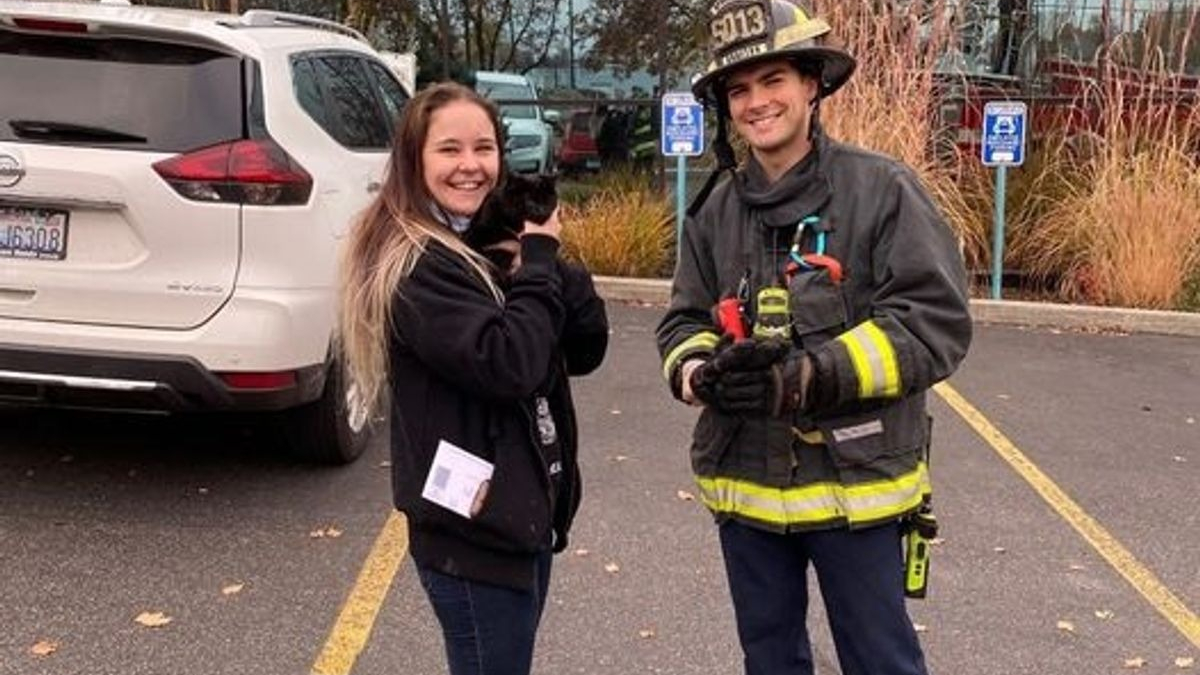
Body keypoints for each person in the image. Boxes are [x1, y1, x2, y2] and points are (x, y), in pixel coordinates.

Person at [655, 2, 973, 674]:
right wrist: (700, 373)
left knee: (881, 660)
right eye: (738, 90)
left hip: (857, 489)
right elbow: (681, 322)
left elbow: (932, 323)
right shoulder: (715, 212)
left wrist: (804, 378)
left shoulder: (880, 190)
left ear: (811, 85)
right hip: (744, 486)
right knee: (769, 659)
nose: (756, 102)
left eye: (772, 81)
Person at [339, 82, 608, 675]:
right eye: (449, 150)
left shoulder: (480, 245)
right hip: (473, 534)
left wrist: (546, 260)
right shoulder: (416, 262)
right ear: (414, 161)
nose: (470, 165)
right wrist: (537, 263)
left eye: (483, 148)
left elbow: (584, 349)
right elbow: (508, 363)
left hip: (515, 518)